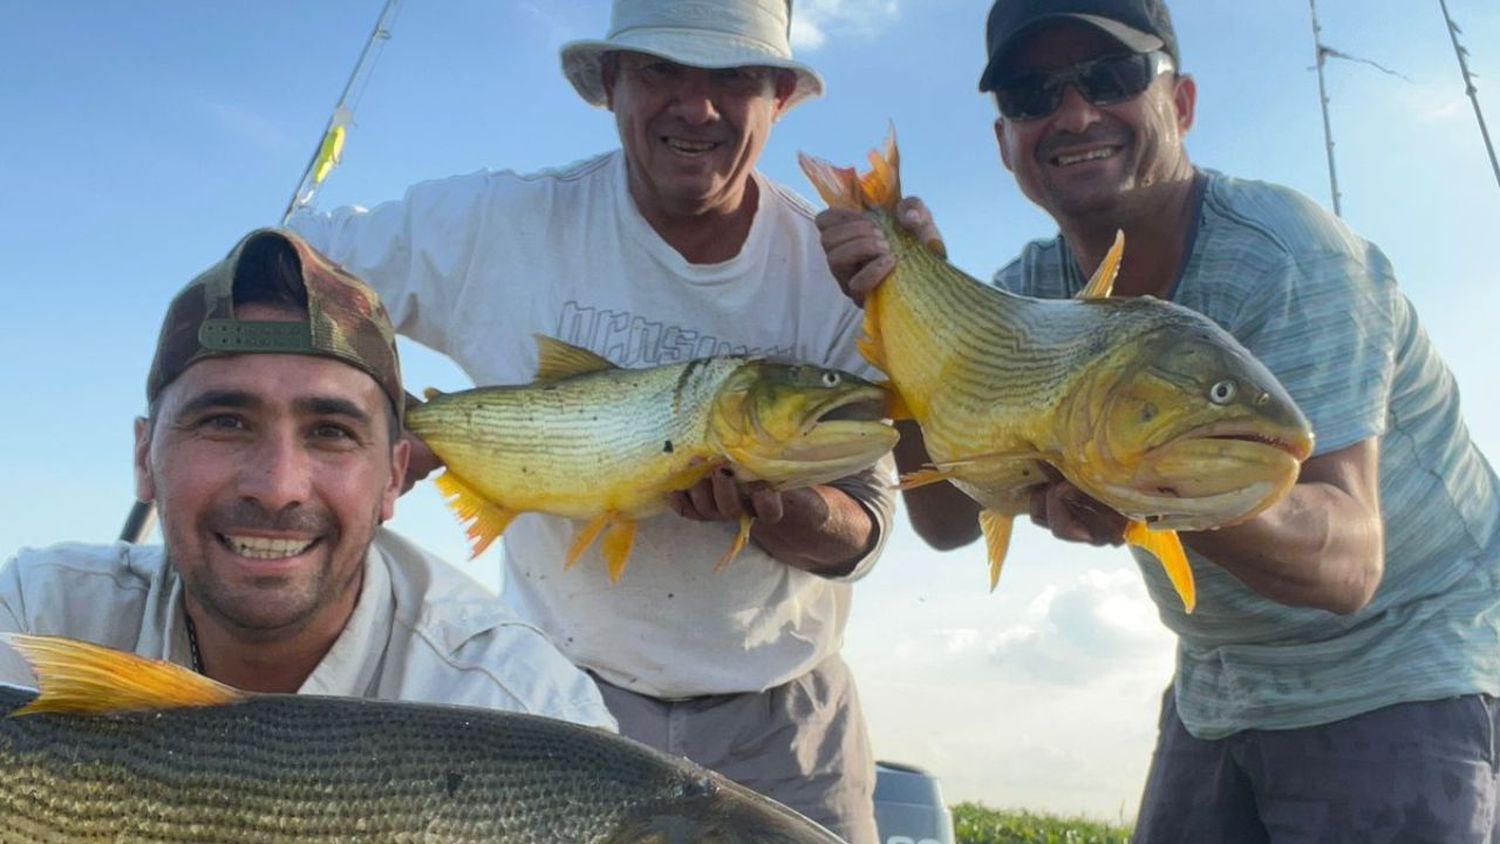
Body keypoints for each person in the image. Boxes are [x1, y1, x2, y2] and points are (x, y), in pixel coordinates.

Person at [817, 0, 1500, 840]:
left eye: (1110, 77)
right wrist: (911, 321)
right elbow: (950, 521)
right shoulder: (1029, 296)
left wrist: (1139, 491)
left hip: (1406, 667)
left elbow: (1347, 563)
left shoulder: (1293, 259)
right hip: (1218, 680)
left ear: (1180, 104)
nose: (1073, 114)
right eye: (1032, 95)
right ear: (1004, 143)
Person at [289, 1, 894, 839]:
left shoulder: (841, 268)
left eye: (733, 78)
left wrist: (780, 512)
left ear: (780, 95)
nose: (697, 107)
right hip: (551, 703)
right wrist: (368, 412)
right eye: (660, 71)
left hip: (783, 725)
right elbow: (290, 258)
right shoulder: (503, 224)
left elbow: (867, 529)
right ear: (609, 83)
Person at [0, 228, 615, 733]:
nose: (278, 487)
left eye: (331, 432)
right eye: (224, 422)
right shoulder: (34, 619)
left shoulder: (523, 711)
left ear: (393, 478)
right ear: (144, 459)